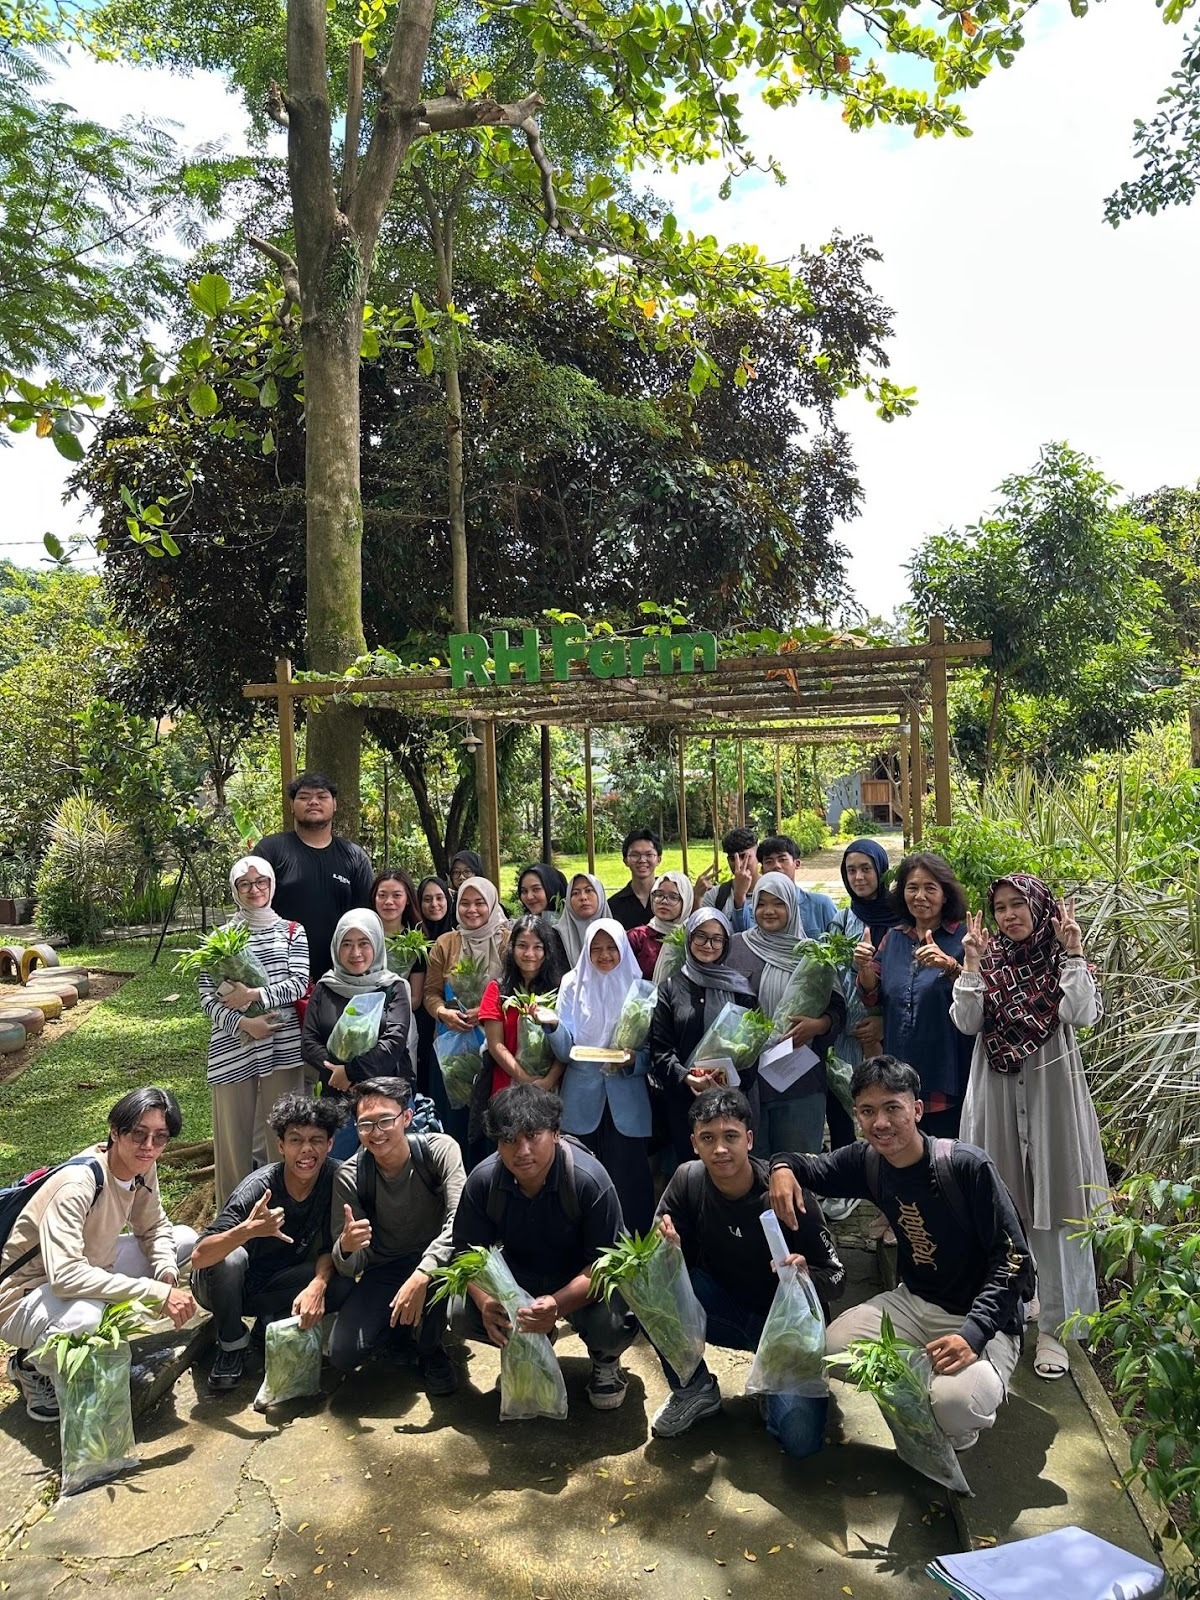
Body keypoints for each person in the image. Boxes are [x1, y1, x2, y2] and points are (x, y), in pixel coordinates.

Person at [768, 1055, 1033, 1453]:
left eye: (893, 1108)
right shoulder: (868, 1161)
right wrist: (781, 1168)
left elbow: (1014, 1260)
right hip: (914, 1302)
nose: (881, 1123)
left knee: (958, 1406)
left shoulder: (965, 1166)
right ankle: (924, 1386)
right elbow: (810, 1167)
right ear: (856, 1114)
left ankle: (954, 1406)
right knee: (835, 1348)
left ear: (917, 1109)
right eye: (868, 1111)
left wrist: (974, 1335)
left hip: (980, 1316)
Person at [953, 877, 1107, 1381]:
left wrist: (1075, 952)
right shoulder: (991, 962)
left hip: (1050, 1094)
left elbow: (1082, 1014)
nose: (1009, 915)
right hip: (996, 1095)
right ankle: (1011, 1310)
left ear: (1038, 908)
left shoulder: (1060, 961)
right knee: (1003, 1205)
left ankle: (1057, 1332)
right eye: (999, 907)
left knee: (1056, 1205)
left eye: (1019, 904)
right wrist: (971, 965)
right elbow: (968, 1022)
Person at [648, 1087, 844, 1448]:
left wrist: (805, 1276)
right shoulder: (688, 1180)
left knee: (800, 1442)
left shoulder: (784, 1193)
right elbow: (664, 1268)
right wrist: (666, 1251)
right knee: (649, 1288)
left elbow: (837, 1277)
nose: (720, 1149)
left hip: (786, 1330)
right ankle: (693, 1388)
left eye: (731, 1137)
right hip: (725, 1307)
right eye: (708, 1138)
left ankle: (775, 1387)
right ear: (694, 1143)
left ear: (749, 1140)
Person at [0, 1088, 197, 1423]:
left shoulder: (141, 1166)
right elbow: (65, 1277)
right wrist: (155, 1293)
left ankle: (77, 1338)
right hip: (23, 1296)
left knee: (184, 1240)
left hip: (90, 1265)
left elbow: (154, 1227)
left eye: (160, 1137)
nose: (149, 1146)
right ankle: (31, 1364)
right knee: (85, 1317)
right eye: (139, 1134)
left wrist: (164, 1270)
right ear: (115, 1131)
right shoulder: (77, 1184)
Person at [451, 1083, 637, 1410]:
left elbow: (608, 1264)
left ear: (555, 1132)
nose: (522, 1151)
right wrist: (485, 1300)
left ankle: (606, 1360)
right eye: (509, 1140)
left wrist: (558, 1305)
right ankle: (536, 1339)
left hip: (580, 1278)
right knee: (459, 1311)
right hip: (521, 1274)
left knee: (614, 1321)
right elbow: (467, 1254)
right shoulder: (482, 1182)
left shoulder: (588, 1180)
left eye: (533, 1136)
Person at [191, 1093, 352, 1394]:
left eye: (316, 1140)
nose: (306, 1149)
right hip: (221, 1286)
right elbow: (200, 1258)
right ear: (280, 1146)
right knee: (232, 1259)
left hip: (276, 1282)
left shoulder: (335, 1178)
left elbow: (328, 1248)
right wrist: (247, 1231)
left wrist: (317, 1285)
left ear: (330, 1144)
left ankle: (270, 1322)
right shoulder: (258, 1188)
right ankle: (231, 1344)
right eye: (295, 1140)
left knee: (339, 1284)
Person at [329, 1078, 465, 1392]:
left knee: (442, 1301)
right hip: (386, 1268)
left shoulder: (440, 1151)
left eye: (385, 1120)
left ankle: (431, 1350)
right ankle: (400, 1332)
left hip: (439, 1262)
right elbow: (351, 1263)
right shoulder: (350, 1176)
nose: (376, 1132)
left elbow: (460, 1223)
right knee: (343, 1354)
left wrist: (424, 1272)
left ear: (406, 1117)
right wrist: (347, 1248)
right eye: (366, 1124)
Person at [198, 857, 309, 1207]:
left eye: (261, 881)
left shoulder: (292, 930)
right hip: (233, 1050)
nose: (254, 889)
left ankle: (283, 1210)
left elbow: (299, 983)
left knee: (284, 1135)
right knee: (233, 1144)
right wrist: (244, 1024)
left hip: (284, 1046)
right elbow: (206, 998)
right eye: (245, 884)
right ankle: (230, 1222)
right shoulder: (219, 940)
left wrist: (254, 996)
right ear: (235, 890)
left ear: (272, 884)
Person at [854, 853, 972, 1139]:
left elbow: (985, 996)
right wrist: (864, 967)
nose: (920, 896)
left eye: (930, 888)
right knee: (904, 1156)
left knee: (948, 1157)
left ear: (946, 894)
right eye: (912, 887)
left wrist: (951, 967)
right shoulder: (894, 937)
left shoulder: (966, 939)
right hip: (901, 1071)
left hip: (949, 1070)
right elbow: (872, 997)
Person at [728, 873, 846, 1157]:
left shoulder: (813, 954)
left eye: (778, 904)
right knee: (754, 1165)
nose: (769, 911)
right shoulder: (735, 948)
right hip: (748, 1077)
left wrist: (819, 1025)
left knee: (800, 1162)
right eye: (762, 903)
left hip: (799, 1073)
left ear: (792, 907)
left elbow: (838, 1007)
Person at [556, 919, 655, 1233]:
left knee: (630, 1184)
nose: (604, 955)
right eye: (596, 948)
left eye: (612, 947)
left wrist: (634, 1060)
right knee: (580, 1179)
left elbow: (657, 1050)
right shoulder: (572, 983)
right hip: (581, 1100)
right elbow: (563, 1050)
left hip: (627, 1099)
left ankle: (633, 1254)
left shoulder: (642, 989)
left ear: (623, 949)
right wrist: (549, 1027)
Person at [301, 910, 414, 1159]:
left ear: (376, 944)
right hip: (335, 1095)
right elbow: (309, 1043)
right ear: (336, 947)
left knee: (390, 1165)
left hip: (386, 1093)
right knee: (338, 1166)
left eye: (364, 943)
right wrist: (337, 1073)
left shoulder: (393, 987)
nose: (355, 953)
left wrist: (350, 1073)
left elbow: (394, 1042)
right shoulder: (325, 987)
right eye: (347, 944)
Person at [650, 909, 758, 1166]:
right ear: (689, 938)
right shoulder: (670, 988)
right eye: (701, 936)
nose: (708, 945)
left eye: (716, 938)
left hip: (731, 1099)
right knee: (692, 1170)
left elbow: (753, 1046)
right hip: (684, 1102)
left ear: (726, 943)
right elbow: (659, 1049)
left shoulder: (741, 988)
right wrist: (686, 1077)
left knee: (732, 1168)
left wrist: (730, 1083)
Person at [254, 772, 374, 985]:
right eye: (304, 797)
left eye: (322, 796)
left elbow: (364, 919)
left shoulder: (354, 857)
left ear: (335, 804)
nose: (313, 802)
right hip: (279, 977)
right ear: (292, 804)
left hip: (340, 977)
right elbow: (251, 908)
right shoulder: (271, 851)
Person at [424, 875, 511, 1151]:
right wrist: (442, 1012)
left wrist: (487, 1011)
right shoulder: (446, 943)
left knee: (493, 1117)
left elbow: (516, 991)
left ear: (492, 904)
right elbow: (430, 993)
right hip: (454, 1049)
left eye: (479, 903)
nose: (471, 910)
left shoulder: (508, 942)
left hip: (495, 1046)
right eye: (464, 903)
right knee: (456, 1121)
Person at [479, 915, 571, 1102]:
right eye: (522, 946)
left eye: (537, 947)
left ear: (547, 950)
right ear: (512, 948)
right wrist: (524, 1079)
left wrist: (548, 1081)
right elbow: (496, 1044)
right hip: (508, 1088)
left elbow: (566, 1043)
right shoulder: (497, 989)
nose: (529, 953)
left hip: (552, 1090)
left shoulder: (562, 990)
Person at [755, 835, 839, 936]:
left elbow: (839, 945)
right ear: (762, 869)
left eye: (782, 860)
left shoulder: (821, 905)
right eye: (768, 862)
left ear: (797, 863)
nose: (776, 866)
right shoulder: (757, 911)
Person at [628, 870, 694, 980]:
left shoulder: (692, 937)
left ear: (686, 902)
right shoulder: (637, 937)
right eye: (659, 895)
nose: (664, 901)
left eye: (673, 897)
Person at [693, 825, 759, 933]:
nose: (739, 864)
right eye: (733, 859)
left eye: (744, 856)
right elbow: (699, 933)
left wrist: (739, 895)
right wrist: (697, 897)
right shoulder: (717, 895)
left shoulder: (772, 892)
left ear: (758, 855)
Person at [608, 829, 663, 932]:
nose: (642, 860)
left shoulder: (671, 899)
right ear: (625, 860)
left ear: (658, 859)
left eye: (649, 855)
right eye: (635, 855)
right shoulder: (613, 905)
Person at [556, 871, 610, 965]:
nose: (583, 897)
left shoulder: (617, 935)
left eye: (588, 890)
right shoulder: (555, 936)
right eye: (575, 893)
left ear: (600, 895)